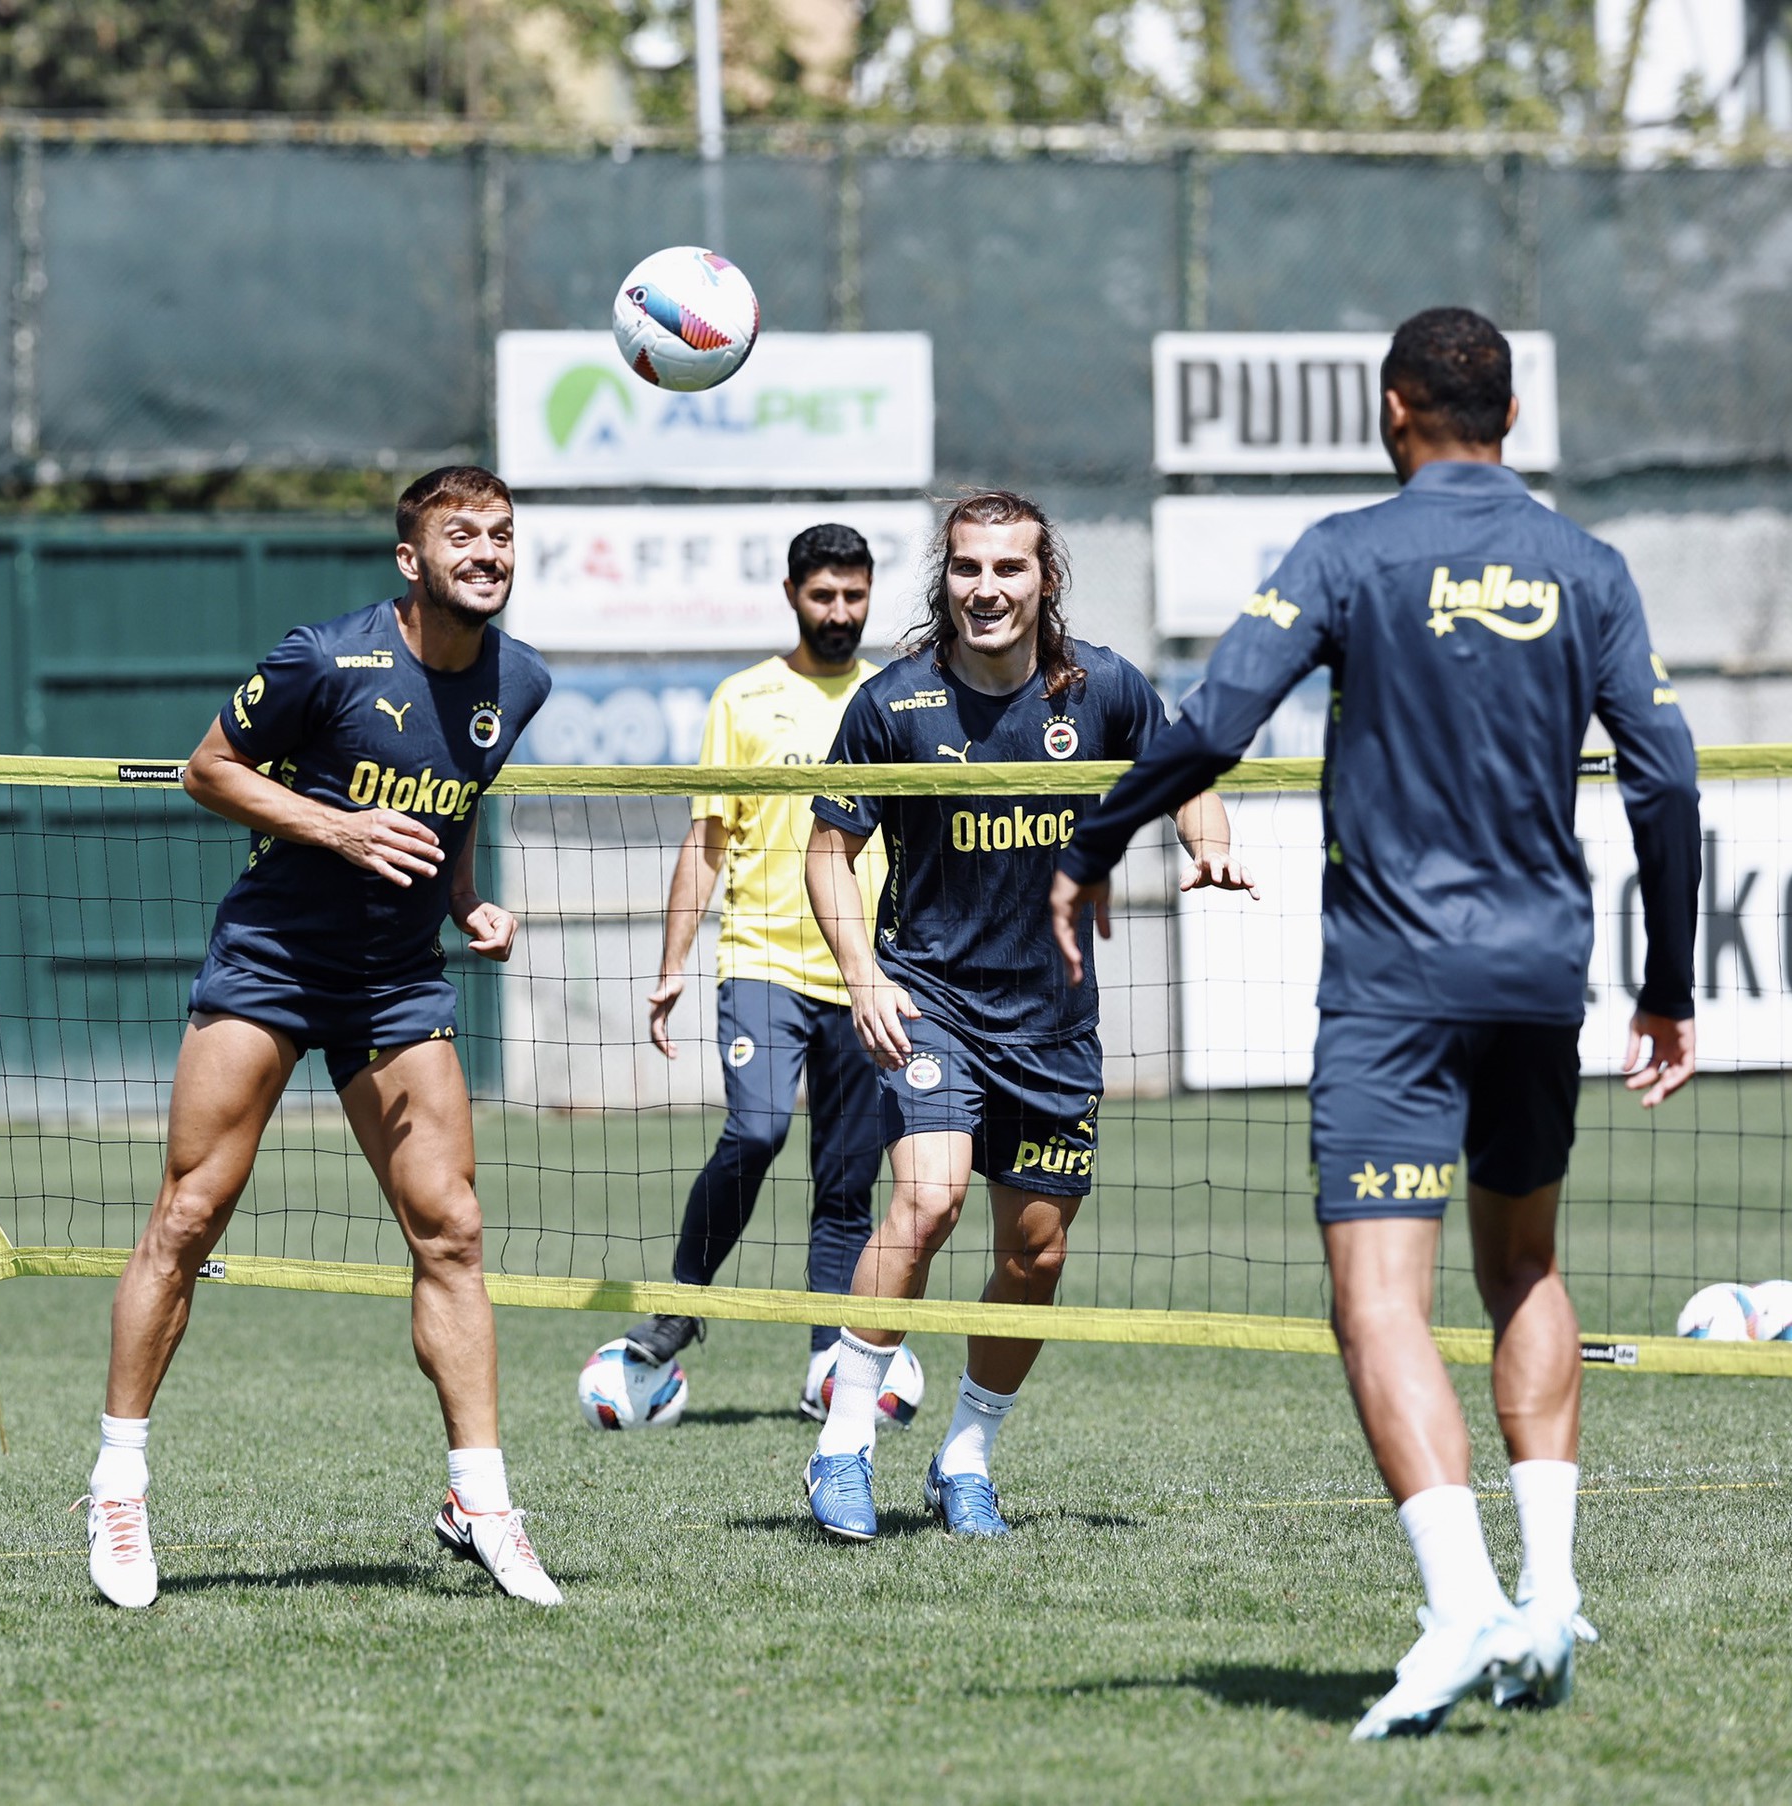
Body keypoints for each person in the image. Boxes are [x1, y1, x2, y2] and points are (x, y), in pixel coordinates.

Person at [1048, 308, 1701, 1738]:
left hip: (1395, 984)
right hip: (1539, 976)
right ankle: (1548, 1598)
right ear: (1509, 414)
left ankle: (1463, 1605)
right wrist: (1666, 984)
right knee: (1522, 1265)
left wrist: (1088, 848)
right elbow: (1661, 776)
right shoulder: (1582, 566)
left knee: (1377, 1301)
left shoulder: (1347, 551)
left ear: (1392, 407)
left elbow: (1211, 718)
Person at [82, 466, 563, 1610]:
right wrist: (336, 830)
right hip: (270, 964)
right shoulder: (325, 657)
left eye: (502, 537)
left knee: (451, 1231)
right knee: (190, 1214)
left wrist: (466, 904)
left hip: (396, 982)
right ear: (412, 560)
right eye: (463, 537)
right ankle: (118, 1482)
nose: (487, 553)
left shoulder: (522, 681)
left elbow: (456, 806)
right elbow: (210, 771)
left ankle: (481, 1501)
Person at [802, 490, 1253, 1542]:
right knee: (927, 1201)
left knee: (1035, 1255)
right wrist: (863, 976)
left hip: (1053, 1022)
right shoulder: (891, 704)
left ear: (1044, 577)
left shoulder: (1098, 687)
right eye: (967, 569)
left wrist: (1208, 835)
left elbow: (1187, 766)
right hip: (933, 1001)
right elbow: (828, 853)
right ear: (943, 580)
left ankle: (963, 1460)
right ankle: (842, 1449)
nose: (987, 589)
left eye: (1008, 569)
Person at [624, 524, 902, 1417]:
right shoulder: (743, 699)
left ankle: (831, 1361)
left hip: (867, 973)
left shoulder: (899, 700)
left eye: (853, 596)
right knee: (754, 1133)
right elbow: (706, 841)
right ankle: (681, 1306)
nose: (839, 613)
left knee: (848, 1177)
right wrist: (672, 961)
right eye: (823, 596)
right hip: (761, 961)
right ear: (791, 594)